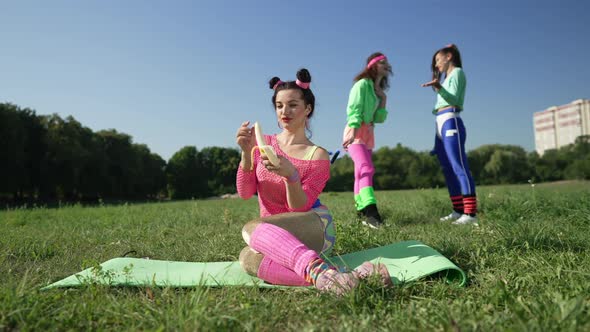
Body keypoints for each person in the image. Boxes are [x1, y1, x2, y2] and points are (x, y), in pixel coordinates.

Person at [236, 68, 392, 295]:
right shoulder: (263, 144)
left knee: (251, 229)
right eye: (279, 106)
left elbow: (298, 208)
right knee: (246, 258)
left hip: (313, 225)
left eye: (292, 105)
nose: (284, 111)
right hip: (272, 234)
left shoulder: (317, 155)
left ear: (307, 108)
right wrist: (245, 155)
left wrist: (291, 175)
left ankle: (318, 271)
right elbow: (245, 192)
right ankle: (346, 277)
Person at [421, 44, 478, 225]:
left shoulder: (458, 73)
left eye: (438, 60)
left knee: (458, 166)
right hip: (439, 122)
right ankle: (458, 210)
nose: (436, 65)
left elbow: (454, 99)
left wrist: (439, 88)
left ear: (448, 57)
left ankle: (470, 214)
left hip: (451, 119)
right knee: (447, 168)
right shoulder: (446, 78)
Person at [342, 52, 393, 229]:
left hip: (368, 134)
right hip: (355, 131)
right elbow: (354, 108)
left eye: (387, 63)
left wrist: (383, 98)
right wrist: (352, 131)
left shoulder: (375, 91)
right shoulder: (362, 85)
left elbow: (379, 119)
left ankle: (360, 211)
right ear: (373, 66)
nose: (386, 65)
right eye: (382, 63)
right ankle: (372, 213)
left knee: (359, 173)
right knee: (366, 169)